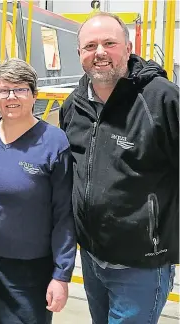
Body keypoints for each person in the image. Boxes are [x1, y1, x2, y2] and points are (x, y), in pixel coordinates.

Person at [59, 12, 178, 324]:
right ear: (80, 54)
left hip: (141, 264)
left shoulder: (161, 99)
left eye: (109, 43)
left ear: (128, 48)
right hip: (93, 259)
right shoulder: (73, 106)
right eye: (90, 46)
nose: (99, 53)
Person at [0, 58, 76, 324]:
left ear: (34, 95)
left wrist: (61, 274)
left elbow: (64, 215)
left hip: (30, 270)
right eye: (3, 90)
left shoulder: (53, 143)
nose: (11, 97)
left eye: (20, 89)